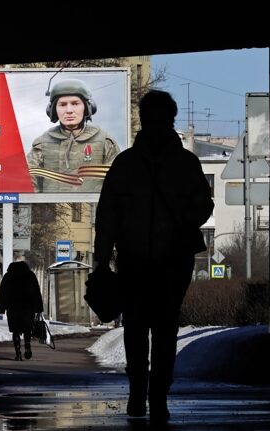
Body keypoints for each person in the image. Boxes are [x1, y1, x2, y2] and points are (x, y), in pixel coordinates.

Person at [93, 90, 214, 422]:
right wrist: (103, 258)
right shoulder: (177, 163)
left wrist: (103, 258)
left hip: (153, 260)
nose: (159, 124)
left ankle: (147, 394)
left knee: (148, 328)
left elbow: (107, 217)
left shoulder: (128, 164)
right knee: (156, 329)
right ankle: (151, 395)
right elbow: (203, 206)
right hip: (152, 261)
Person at [26, 79, 121, 192]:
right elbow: (28, 182)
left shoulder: (105, 142)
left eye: (75, 104)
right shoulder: (42, 144)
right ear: (53, 110)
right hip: (50, 208)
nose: (69, 110)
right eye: (62, 104)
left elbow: (119, 181)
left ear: (86, 107)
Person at [0, 260, 44, 361]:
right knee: (27, 329)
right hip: (27, 308)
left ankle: (18, 353)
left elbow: (3, 292)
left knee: (15, 331)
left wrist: (1, 307)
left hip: (13, 308)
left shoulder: (8, 276)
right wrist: (38, 308)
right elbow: (36, 292)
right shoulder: (30, 275)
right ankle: (27, 346)